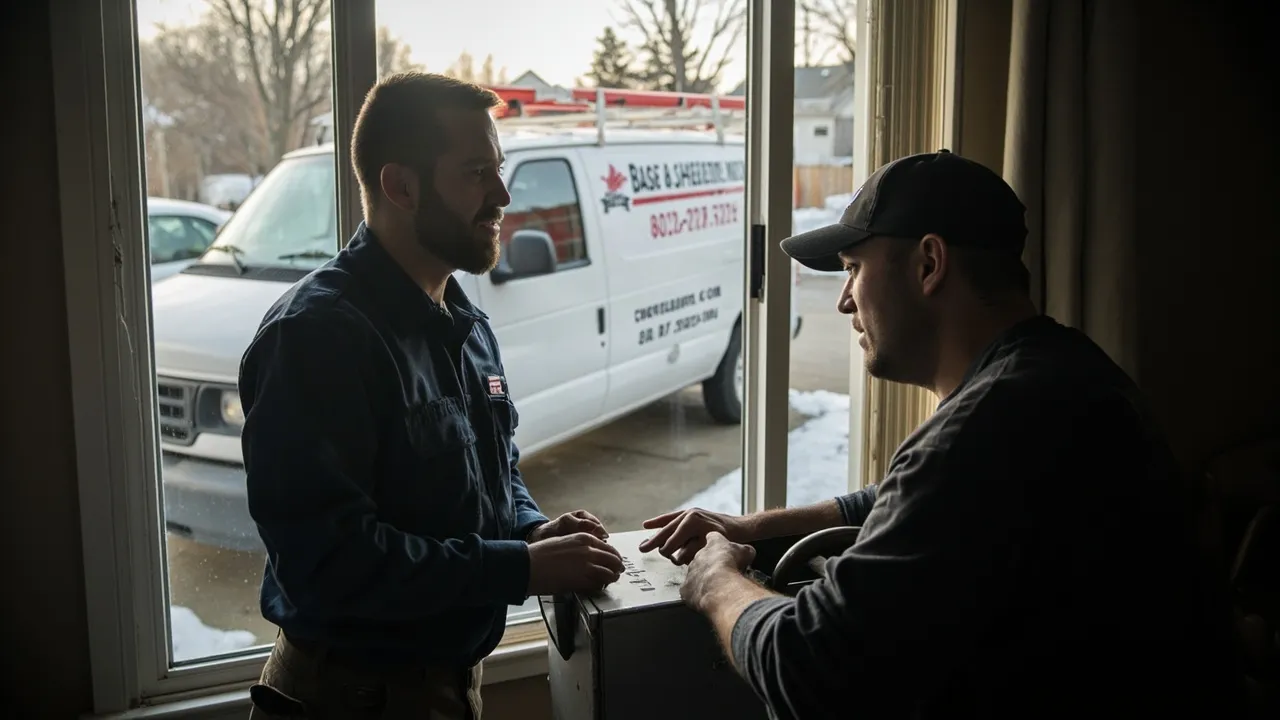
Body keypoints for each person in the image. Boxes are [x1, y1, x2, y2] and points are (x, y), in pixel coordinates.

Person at [641, 150, 1243, 719]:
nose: (844, 302)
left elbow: (809, 671)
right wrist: (752, 528)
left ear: (930, 264)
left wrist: (717, 580)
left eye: (853, 270)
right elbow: (900, 501)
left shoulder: (988, 427)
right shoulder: (1059, 370)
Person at [238, 72, 626, 719]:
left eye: (498, 169)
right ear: (401, 185)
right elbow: (328, 562)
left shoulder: (465, 323)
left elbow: (494, 469)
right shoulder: (316, 337)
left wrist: (530, 529)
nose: (503, 195)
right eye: (477, 172)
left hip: (444, 691)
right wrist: (520, 569)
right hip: (346, 700)